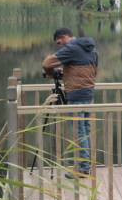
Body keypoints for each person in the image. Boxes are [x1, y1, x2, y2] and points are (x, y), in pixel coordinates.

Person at [42, 28, 98, 175]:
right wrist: (67, 73)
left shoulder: (72, 48)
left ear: (66, 37)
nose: (60, 46)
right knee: (85, 130)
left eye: (60, 42)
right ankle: (86, 166)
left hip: (76, 96)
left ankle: (83, 168)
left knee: (80, 131)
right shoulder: (91, 49)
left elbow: (47, 63)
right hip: (88, 94)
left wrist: (50, 74)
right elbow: (89, 71)